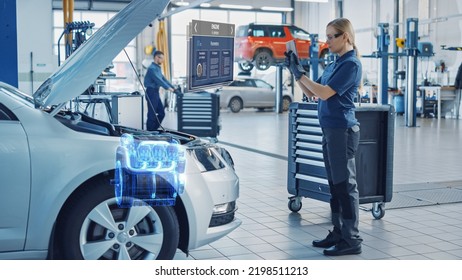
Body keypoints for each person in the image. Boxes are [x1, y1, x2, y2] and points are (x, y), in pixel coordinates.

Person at [285, 18, 362, 256]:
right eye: (326, 36)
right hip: (330, 130)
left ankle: (351, 239)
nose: (326, 41)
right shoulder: (334, 64)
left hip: (342, 131)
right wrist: (296, 71)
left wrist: (300, 73)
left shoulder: (351, 65)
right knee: (334, 185)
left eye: (331, 37)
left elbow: (325, 93)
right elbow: (312, 92)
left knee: (345, 186)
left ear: (345, 37)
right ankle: (339, 231)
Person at [144, 50, 175, 131]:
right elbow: (159, 80)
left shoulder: (157, 68)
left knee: (161, 113)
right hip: (151, 92)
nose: (162, 60)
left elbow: (164, 79)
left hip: (155, 92)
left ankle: (154, 129)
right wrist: (169, 89)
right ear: (156, 57)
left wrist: (174, 88)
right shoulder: (152, 69)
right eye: (161, 58)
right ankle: (150, 131)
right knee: (152, 113)